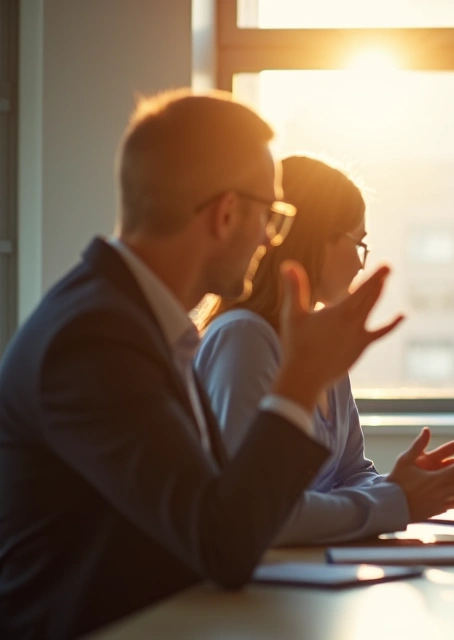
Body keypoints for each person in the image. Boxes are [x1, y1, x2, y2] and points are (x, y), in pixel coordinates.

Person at [0, 90, 410, 638]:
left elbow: (216, 511)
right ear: (227, 213)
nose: (271, 239)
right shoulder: (94, 338)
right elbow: (223, 541)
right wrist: (299, 382)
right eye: (272, 214)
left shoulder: (136, 322)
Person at [195, 155, 454, 546]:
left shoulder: (320, 345)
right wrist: (395, 500)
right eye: (358, 243)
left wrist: (399, 485)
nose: (359, 264)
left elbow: (351, 473)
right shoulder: (244, 339)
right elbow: (262, 514)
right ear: (317, 239)